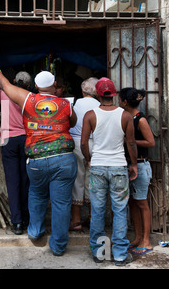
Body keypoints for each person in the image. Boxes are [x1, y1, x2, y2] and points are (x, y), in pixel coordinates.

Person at [0, 57, 78, 256]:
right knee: (61, 202)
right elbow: (72, 122)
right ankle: (58, 246)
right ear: (55, 85)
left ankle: (35, 232)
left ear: (36, 86)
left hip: (37, 159)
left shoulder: (28, 99)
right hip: (63, 158)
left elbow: (5, 84)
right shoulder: (65, 104)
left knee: (37, 195)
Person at [81, 77, 138, 266]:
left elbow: (83, 143)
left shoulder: (90, 115)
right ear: (114, 94)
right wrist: (134, 165)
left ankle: (99, 253)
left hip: (98, 166)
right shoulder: (125, 116)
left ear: (98, 94)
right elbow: (130, 143)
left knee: (97, 210)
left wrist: (89, 159)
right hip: (118, 167)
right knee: (120, 209)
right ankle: (120, 254)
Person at [119, 88, 155, 255]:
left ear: (125, 102)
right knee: (133, 202)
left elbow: (150, 142)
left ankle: (146, 240)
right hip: (130, 165)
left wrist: (131, 141)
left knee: (141, 202)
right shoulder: (127, 118)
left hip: (140, 165)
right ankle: (138, 237)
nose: (118, 102)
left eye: (119, 99)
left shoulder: (140, 120)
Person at [0, 71, 32, 235]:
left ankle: (16, 222)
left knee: (13, 182)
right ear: (29, 86)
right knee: (26, 181)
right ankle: (26, 219)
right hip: (26, 138)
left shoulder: (2, 94)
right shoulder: (31, 97)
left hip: (8, 139)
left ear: (14, 80)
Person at [69, 77, 100, 231]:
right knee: (92, 182)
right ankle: (93, 219)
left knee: (77, 181)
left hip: (76, 144)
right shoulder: (101, 105)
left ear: (82, 91)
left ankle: (75, 221)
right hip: (96, 144)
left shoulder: (74, 104)